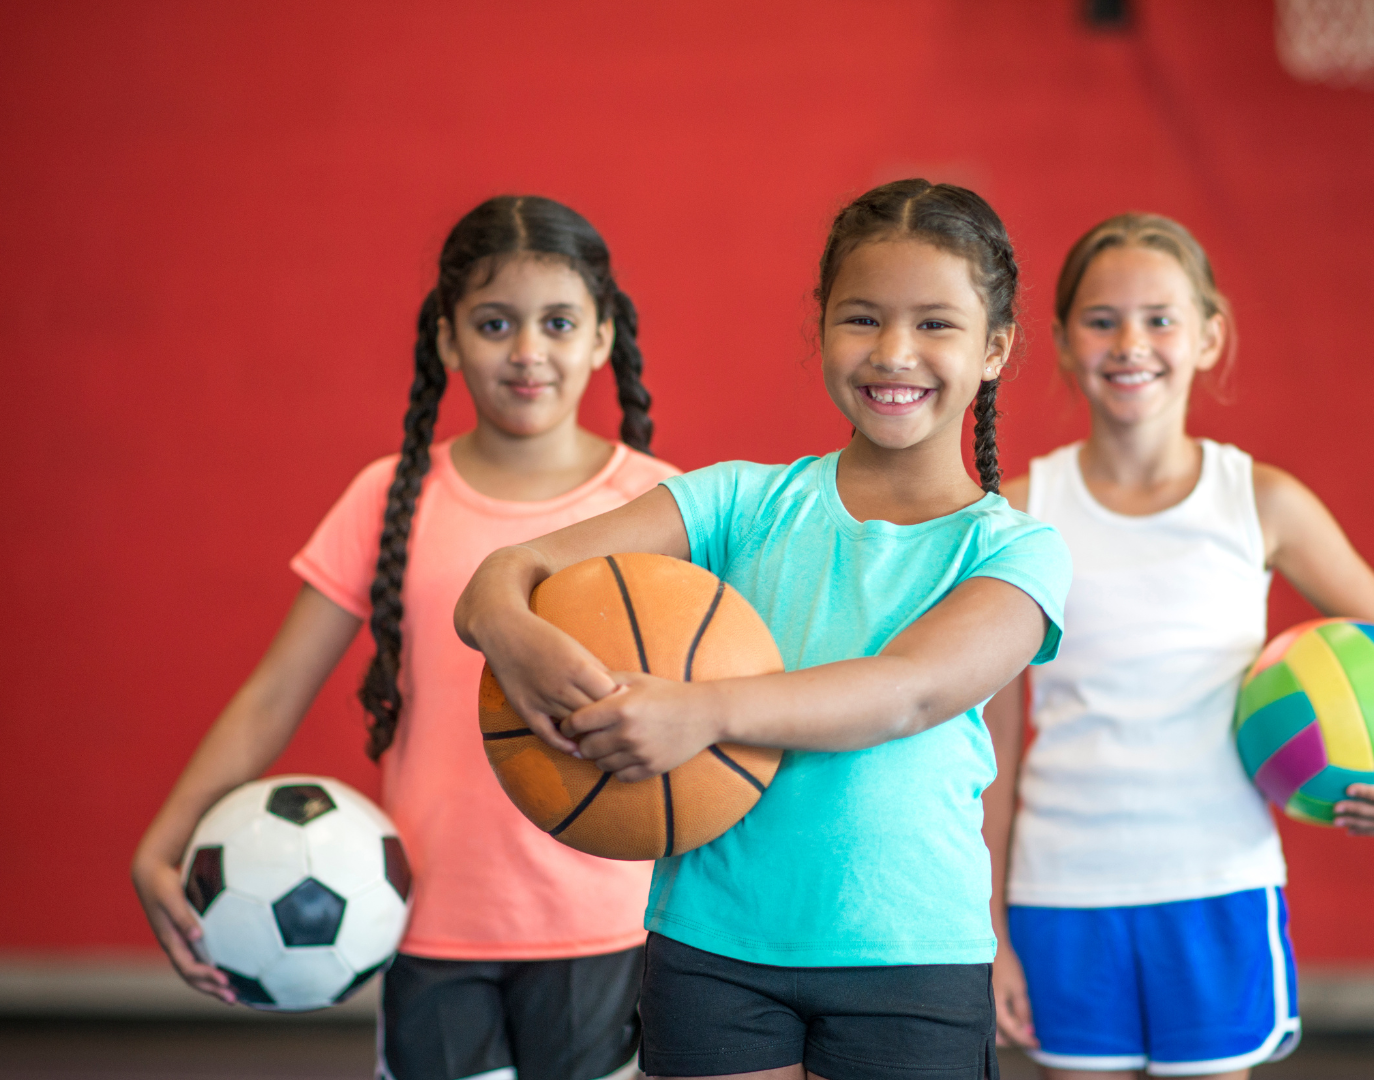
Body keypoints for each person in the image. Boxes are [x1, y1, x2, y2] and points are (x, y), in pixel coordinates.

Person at [454, 179, 1072, 1080]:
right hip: (713, 950)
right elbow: (505, 575)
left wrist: (703, 713)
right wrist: (515, 631)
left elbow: (907, 692)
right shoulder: (738, 500)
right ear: (822, 327)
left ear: (995, 349)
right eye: (863, 318)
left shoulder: (1016, 549)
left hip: (910, 956)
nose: (894, 351)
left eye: (935, 323)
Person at [131, 195, 675, 1080]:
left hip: (611, 925)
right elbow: (274, 693)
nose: (527, 351)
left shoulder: (660, 504)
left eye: (558, 322)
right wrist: (166, 837)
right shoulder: (389, 496)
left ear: (604, 336)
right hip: (430, 927)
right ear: (449, 340)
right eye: (494, 324)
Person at [983, 213, 1374, 1079]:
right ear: (1061, 342)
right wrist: (989, 927)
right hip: (1063, 893)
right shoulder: (1022, 513)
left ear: (1209, 336)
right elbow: (993, 743)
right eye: (1101, 320)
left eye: (1160, 319)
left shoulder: (1261, 501)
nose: (1131, 343)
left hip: (1218, 888)